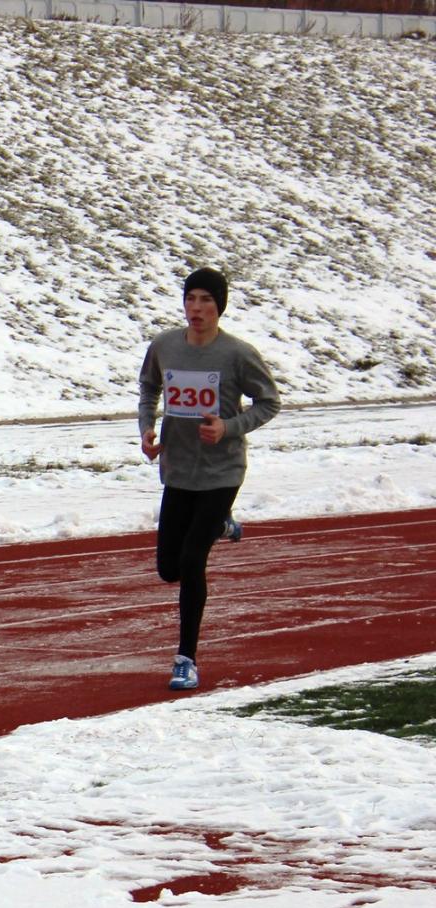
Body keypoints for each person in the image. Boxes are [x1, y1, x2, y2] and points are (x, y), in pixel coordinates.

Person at [136, 266, 281, 692]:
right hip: (179, 469)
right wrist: (147, 428)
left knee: (192, 559)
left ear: (219, 307)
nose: (196, 308)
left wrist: (228, 428)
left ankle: (186, 659)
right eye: (191, 299)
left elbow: (268, 402)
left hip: (222, 471)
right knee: (167, 568)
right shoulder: (164, 346)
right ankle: (220, 525)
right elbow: (149, 388)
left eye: (206, 301)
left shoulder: (236, 354)